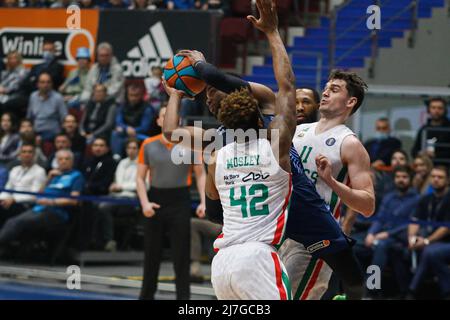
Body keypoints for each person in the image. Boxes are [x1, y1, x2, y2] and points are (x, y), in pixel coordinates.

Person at [165, 4, 370, 301]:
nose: (208, 99)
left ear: (236, 93)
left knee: (348, 270)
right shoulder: (223, 140)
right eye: (206, 95)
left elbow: (272, 85)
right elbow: (173, 133)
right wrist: (176, 93)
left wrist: (199, 68)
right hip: (257, 233)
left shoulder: (261, 105)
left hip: (297, 201)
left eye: (212, 92)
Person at [202, 0, 296, 299]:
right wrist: (271, 32)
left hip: (222, 263)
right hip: (257, 257)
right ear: (259, 117)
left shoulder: (217, 157)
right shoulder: (276, 147)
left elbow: (213, 205)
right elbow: (287, 87)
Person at [136, 106, 206, 300]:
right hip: (155, 201)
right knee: (151, 256)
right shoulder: (148, 144)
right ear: (159, 121)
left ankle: (184, 300)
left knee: (181, 256)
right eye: (164, 116)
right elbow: (140, 178)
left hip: (180, 201)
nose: (168, 119)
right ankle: (146, 297)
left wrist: (203, 201)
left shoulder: (191, 145)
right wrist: (145, 204)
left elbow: (201, 175)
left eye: (172, 116)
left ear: (179, 121)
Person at [0, 149, 83, 252]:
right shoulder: (54, 175)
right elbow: (38, 194)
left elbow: (74, 200)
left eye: (67, 159)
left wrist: (52, 202)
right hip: (39, 208)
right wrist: (48, 178)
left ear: (72, 161)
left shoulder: (76, 176)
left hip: (56, 212)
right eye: (60, 159)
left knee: (19, 222)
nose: (64, 161)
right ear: (56, 161)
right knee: (11, 221)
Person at [358, 166, 419, 296]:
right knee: (355, 247)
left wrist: (387, 234)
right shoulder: (389, 197)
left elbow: (411, 224)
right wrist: (371, 233)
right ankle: (357, 286)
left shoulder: (417, 199)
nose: (400, 180)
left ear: (411, 179)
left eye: (404, 177)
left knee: (382, 246)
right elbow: (380, 218)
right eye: (398, 177)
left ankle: (372, 290)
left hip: (401, 237)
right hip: (381, 235)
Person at [403, 166, 450, 299]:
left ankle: (412, 291)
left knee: (430, 252)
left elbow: (446, 227)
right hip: (430, 240)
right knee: (402, 249)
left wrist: (426, 241)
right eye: (433, 176)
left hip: (445, 242)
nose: (435, 180)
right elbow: (415, 220)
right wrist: (412, 238)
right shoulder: (426, 199)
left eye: (440, 177)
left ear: (447, 180)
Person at [97, 139, 141, 251]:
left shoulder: (143, 163)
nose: (131, 151)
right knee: (91, 204)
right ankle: (95, 241)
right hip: (115, 196)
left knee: (103, 207)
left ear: (139, 149)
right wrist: (114, 186)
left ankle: (109, 241)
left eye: (134, 148)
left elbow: (143, 185)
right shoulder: (122, 162)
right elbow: (117, 180)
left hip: (131, 199)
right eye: (129, 148)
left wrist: (121, 187)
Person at [0, 143, 47, 227]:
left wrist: (14, 199)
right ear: (19, 154)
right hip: (10, 201)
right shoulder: (15, 169)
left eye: (30, 152)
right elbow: (7, 188)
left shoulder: (40, 171)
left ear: (34, 155)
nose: (27, 154)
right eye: (24, 152)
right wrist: (2, 199)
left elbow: (35, 195)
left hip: (26, 204)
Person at [111, 83, 155, 159]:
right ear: (127, 95)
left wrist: (133, 130)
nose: (133, 98)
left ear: (141, 95)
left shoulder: (147, 108)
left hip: (141, 134)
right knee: (115, 133)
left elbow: (145, 127)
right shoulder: (123, 105)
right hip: (126, 132)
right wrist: (126, 128)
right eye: (131, 95)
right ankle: (116, 158)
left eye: (136, 95)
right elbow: (119, 121)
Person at [26, 72, 68, 143]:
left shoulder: (58, 98)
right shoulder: (33, 96)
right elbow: (29, 117)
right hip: (36, 131)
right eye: (42, 82)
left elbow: (64, 118)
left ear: (52, 84)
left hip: (52, 132)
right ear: (38, 84)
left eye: (48, 82)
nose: (45, 85)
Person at [411, 97, 450, 165]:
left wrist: (435, 155)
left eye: (439, 108)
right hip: (426, 168)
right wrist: (421, 153)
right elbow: (414, 151)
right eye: (433, 108)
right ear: (429, 110)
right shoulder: (424, 129)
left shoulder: (448, 129)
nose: (436, 111)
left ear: (445, 110)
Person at [0, 51, 29, 118]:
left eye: (14, 58)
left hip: (14, 96)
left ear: (19, 60)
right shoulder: (5, 72)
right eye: (10, 58)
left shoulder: (23, 71)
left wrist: (4, 90)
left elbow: (15, 86)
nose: (12, 60)